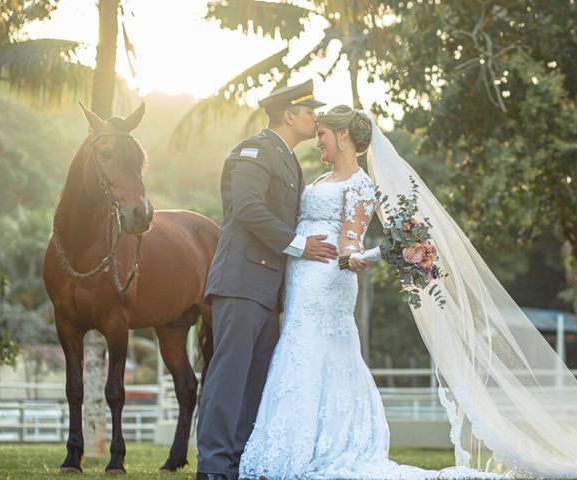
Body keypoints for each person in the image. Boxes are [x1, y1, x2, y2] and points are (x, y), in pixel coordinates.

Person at [238, 106, 469, 479]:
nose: (317, 142)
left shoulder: (360, 185)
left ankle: (320, 447)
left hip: (329, 278)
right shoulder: (319, 180)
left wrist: (361, 257)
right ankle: (287, 447)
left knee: (314, 349)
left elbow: (350, 240)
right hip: (300, 278)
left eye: (322, 135)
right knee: (297, 348)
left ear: (342, 136)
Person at [196, 80, 339, 480]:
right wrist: (299, 244)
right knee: (228, 378)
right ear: (289, 115)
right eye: (309, 111)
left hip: (267, 290)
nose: (315, 117)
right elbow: (247, 208)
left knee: (254, 382)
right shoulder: (254, 151)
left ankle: (237, 462)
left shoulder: (289, 160)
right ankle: (212, 467)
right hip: (241, 281)